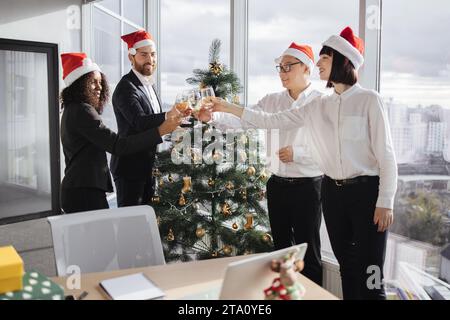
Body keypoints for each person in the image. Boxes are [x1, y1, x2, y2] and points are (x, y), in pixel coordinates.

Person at [207, 27, 398, 300]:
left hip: (366, 194)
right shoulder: (320, 105)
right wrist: (227, 107)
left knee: (371, 274)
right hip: (333, 193)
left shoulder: (370, 100)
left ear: (344, 60)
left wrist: (386, 200)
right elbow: (271, 121)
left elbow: (387, 154)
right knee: (347, 268)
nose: (318, 64)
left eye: (324, 58)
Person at [197, 43, 324, 285]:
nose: (282, 72)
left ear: (306, 68)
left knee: (309, 254)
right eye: (280, 67)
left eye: (288, 67)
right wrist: (212, 117)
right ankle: (282, 295)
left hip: (309, 187)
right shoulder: (272, 100)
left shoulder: (320, 101)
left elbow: (327, 148)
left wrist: (298, 153)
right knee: (281, 252)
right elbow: (244, 121)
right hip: (276, 184)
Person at [60, 52, 181, 214]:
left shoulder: (72, 109)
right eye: (92, 82)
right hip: (84, 192)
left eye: (100, 82)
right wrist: (161, 130)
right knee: (103, 237)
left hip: (80, 188)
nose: (99, 87)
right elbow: (118, 145)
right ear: (79, 84)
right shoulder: (83, 111)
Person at [110, 30, 181, 207]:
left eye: (153, 54)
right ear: (131, 57)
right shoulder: (126, 87)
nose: (150, 59)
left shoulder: (148, 84)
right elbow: (140, 122)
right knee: (130, 223)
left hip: (147, 166)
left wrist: (179, 118)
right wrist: (168, 115)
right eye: (144, 55)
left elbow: (152, 119)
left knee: (147, 218)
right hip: (130, 167)